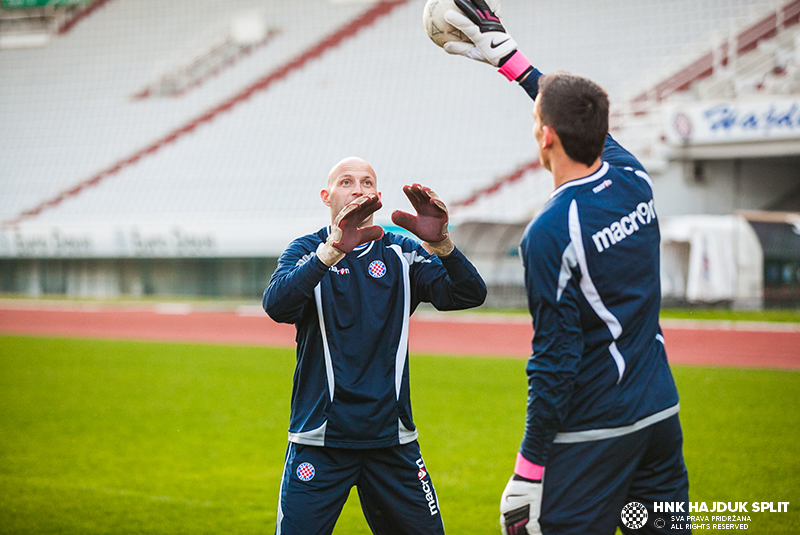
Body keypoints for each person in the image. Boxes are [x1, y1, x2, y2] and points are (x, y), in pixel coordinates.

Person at [437, 2, 691, 534]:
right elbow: (575, 109)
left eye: (537, 122)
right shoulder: (633, 178)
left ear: (546, 137)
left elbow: (554, 360)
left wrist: (528, 471)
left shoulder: (550, 231)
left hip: (598, 428)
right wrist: (508, 58)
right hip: (659, 415)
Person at [263, 156, 487, 535]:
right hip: (320, 439)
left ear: (378, 196)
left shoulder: (401, 251)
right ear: (326, 196)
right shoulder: (306, 250)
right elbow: (277, 306)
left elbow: (468, 294)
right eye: (347, 182)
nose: (358, 189)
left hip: (392, 441)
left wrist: (442, 244)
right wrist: (332, 251)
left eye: (367, 183)